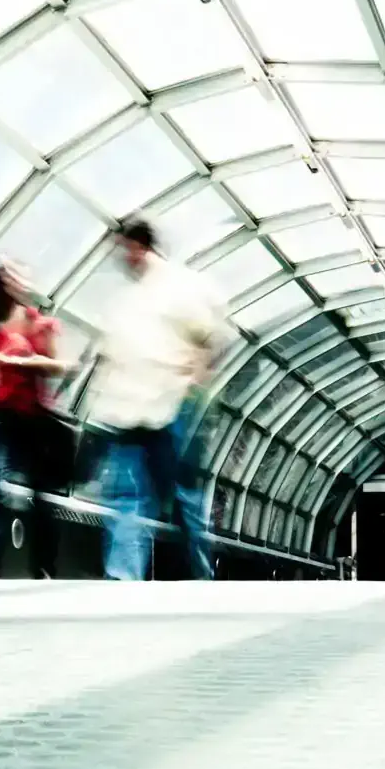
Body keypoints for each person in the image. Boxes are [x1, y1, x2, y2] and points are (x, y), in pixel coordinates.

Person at [86, 217, 231, 582]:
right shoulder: (125, 300)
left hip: (172, 404)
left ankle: (201, 574)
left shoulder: (180, 287)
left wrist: (194, 379)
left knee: (182, 497)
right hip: (128, 412)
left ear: (139, 247)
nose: (121, 259)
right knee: (126, 493)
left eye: (123, 249)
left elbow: (211, 337)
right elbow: (110, 356)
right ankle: (122, 578)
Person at [0, 260, 68, 579]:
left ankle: (43, 567)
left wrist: (17, 361)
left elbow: (58, 366)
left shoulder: (36, 322)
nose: (19, 282)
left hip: (33, 419)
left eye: (21, 276)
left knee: (40, 496)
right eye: (11, 277)